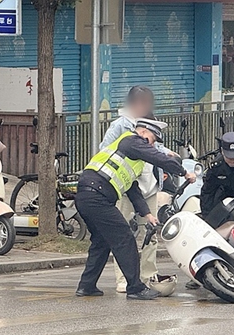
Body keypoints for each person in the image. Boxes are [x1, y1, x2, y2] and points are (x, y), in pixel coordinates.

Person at [75, 116, 196, 300]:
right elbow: (158, 158)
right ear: (144, 132)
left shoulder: (129, 157)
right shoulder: (131, 140)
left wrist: (147, 214)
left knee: (101, 241)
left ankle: (87, 286)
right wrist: (184, 172)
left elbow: (132, 189)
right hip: (96, 196)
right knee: (125, 237)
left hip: (87, 195)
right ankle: (136, 288)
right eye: (153, 140)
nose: (152, 146)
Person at [100, 86, 175, 293]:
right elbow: (104, 149)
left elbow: (156, 149)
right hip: (126, 188)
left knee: (150, 233)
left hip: (149, 187)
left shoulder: (152, 122)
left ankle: (148, 276)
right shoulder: (120, 126)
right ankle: (123, 278)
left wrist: (168, 154)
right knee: (123, 234)